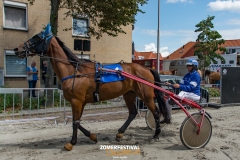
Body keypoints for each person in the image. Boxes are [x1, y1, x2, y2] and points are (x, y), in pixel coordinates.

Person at [160, 59, 201, 124]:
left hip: (194, 94)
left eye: (190, 66)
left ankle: (176, 100)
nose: (188, 67)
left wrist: (179, 86)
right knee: (168, 101)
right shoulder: (187, 75)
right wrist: (170, 84)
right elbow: (180, 84)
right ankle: (167, 118)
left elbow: (190, 87)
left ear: (194, 66)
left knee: (182, 92)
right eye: (187, 66)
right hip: (186, 94)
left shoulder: (196, 76)